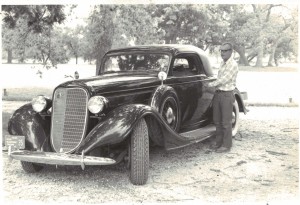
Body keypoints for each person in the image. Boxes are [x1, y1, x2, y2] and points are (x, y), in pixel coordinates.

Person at [205, 42, 238, 153]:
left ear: (231, 51)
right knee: (217, 121)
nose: (222, 53)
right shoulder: (223, 63)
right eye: (221, 51)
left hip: (227, 95)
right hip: (218, 94)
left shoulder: (233, 64)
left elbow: (224, 79)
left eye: (225, 51)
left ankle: (226, 145)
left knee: (226, 122)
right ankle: (218, 143)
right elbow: (219, 78)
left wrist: (209, 85)